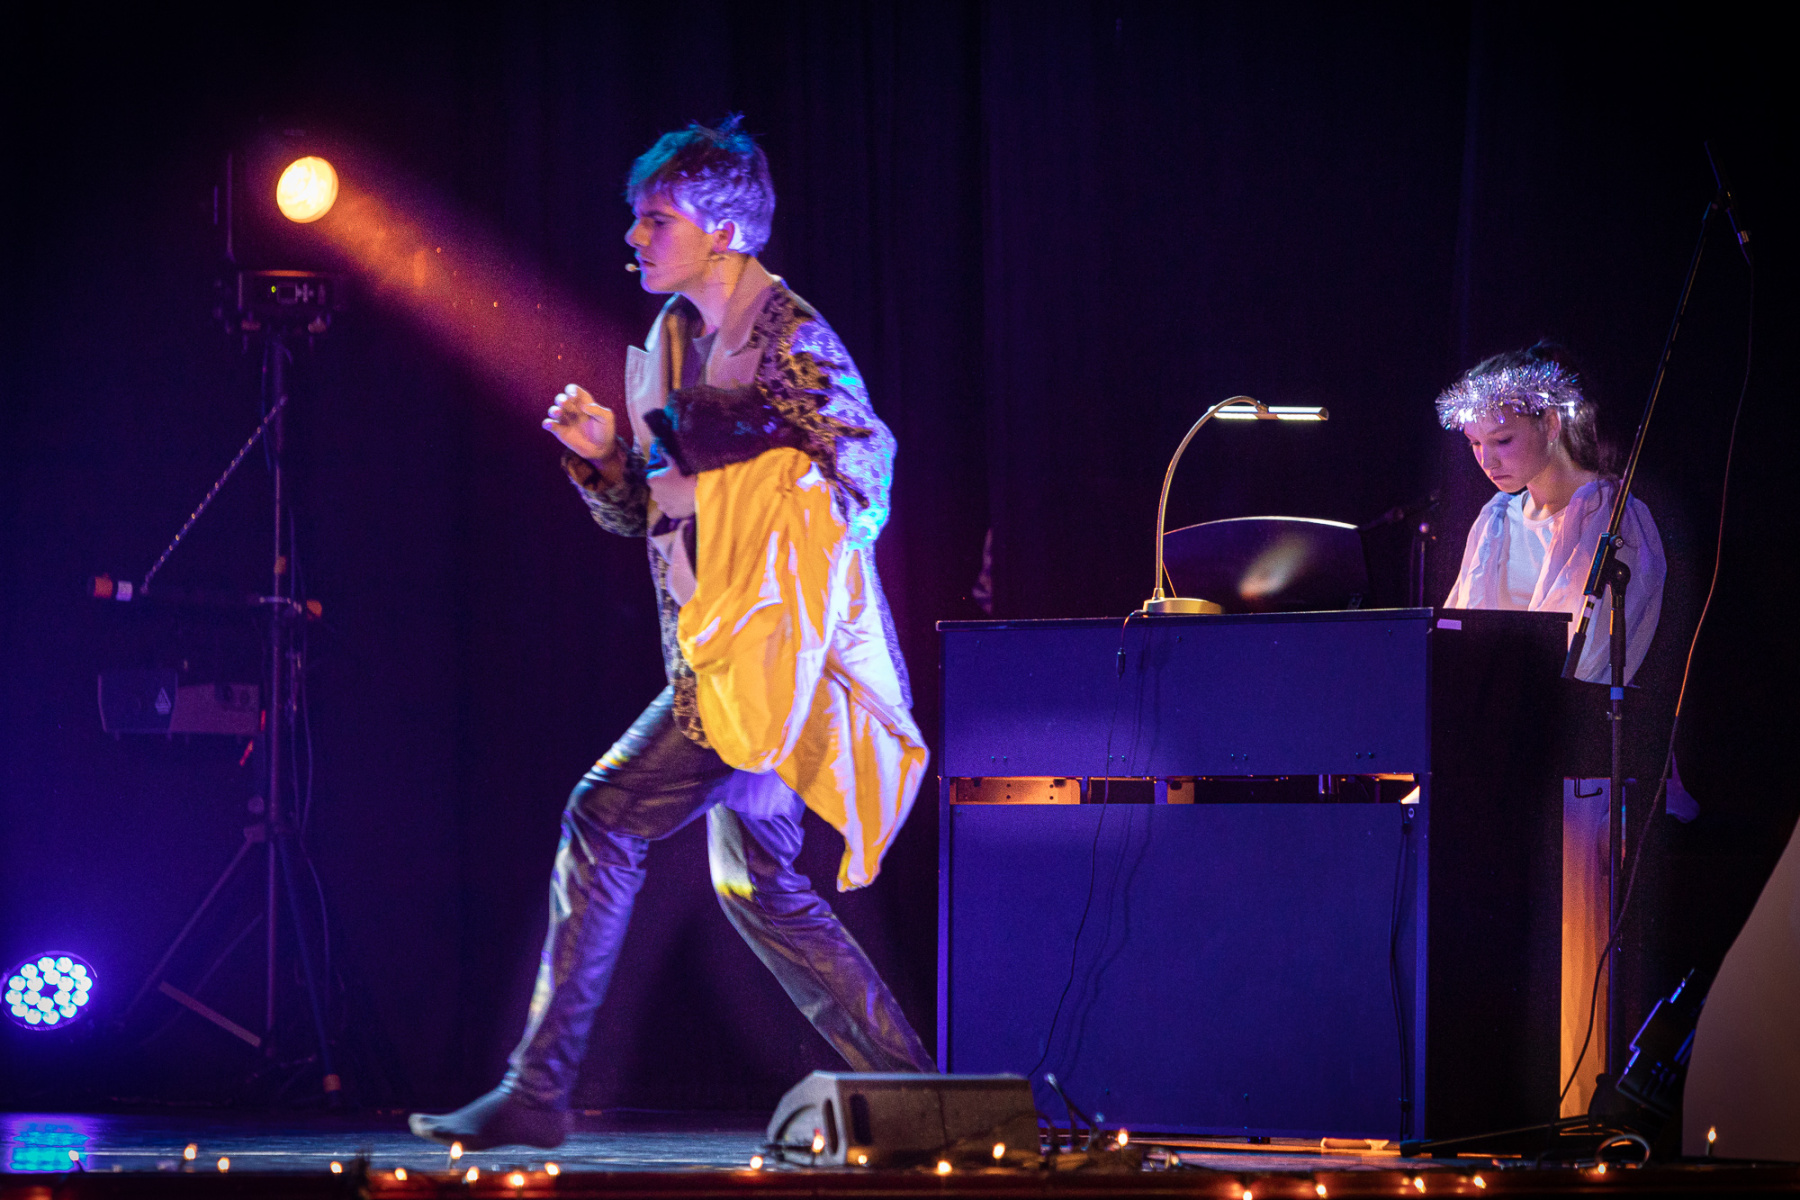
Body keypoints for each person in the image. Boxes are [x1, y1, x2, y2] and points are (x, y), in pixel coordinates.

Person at [409, 117, 934, 1151]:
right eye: (638, 219)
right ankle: (921, 1095)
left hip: (766, 659)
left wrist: (709, 449)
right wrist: (609, 457)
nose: (635, 237)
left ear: (724, 231)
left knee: (603, 817)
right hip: (720, 654)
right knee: (762, 889)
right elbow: (653, 512)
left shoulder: (790, 337)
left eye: (658, 219)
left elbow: (861, 474)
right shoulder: (676, 341)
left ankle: (537, 1091)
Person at [1436, 342, 1667, 1118]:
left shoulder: (1617, 518)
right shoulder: (1495, 520)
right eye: (1475, 445)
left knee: (1568, 941)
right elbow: (1462, 632)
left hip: (1572, 764)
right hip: (1494, 761)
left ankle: (1569, 1108)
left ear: (1554, 422)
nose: (1487, 461)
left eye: (1502, 440)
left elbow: (1590, 654)